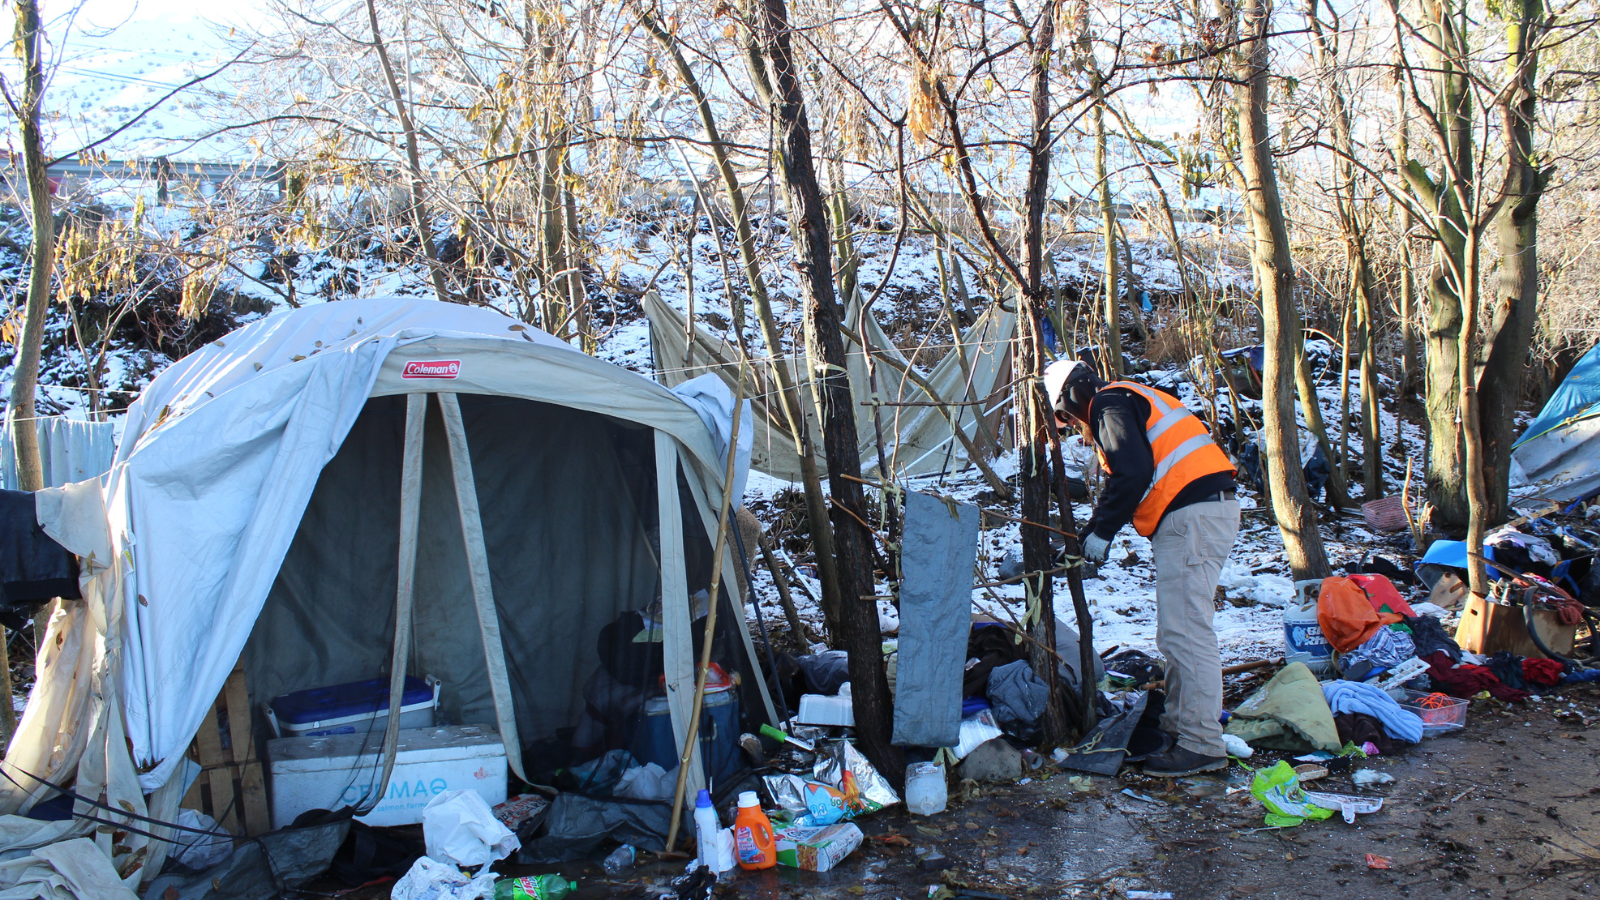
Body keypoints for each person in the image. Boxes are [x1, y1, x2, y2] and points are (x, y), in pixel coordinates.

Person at [1043, 360, 1240, 776]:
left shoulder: (1108, 404)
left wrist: (1105, 532)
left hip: (1192, 516)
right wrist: (1088, 535)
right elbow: (1126, 480)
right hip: (1195, 514)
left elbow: (1132, 473)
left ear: (1072, 396)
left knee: (1187, 633)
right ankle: (1180, 725)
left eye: (1064, 416)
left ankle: (1202, 744)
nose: (1070, 424)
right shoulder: (1126, 398)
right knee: (1175, 633)